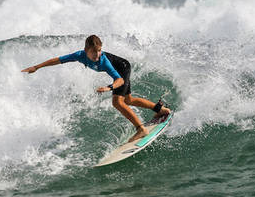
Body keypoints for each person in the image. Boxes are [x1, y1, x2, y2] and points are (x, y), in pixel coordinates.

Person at [22, 34, 171, 141]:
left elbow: (119, 79)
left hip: (123, 69)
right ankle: (160, 110)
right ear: (86, 50)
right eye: (94, 52)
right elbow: (58, 60)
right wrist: (37, 67)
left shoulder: (103, 61)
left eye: (99, 51)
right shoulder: (79, 55)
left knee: (117, 102)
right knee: (129, 100)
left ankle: (141, 129)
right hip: (120, 71)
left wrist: (109, 88)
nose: (97, 54)